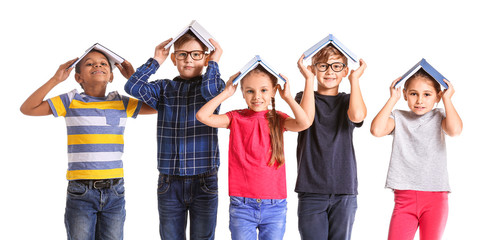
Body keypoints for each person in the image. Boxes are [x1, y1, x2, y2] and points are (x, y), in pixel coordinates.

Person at [20, 49, 156, 240]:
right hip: (81, 192)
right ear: (78, 77)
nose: (97, 65)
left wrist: (134, 79)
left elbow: (161, 105)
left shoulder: (121, 103)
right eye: (90, 64)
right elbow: (28, 108)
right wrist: (55, 80)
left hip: (115, 191)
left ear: (111, 76)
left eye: (103, 63)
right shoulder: (70, 100)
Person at [124, 33, 225, 240]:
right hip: (170, 181)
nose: (188, 59)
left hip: (204, 180)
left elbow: (211, 91)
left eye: (196, 54)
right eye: (182, 54)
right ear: (174, 58)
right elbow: (132, 87)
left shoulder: (212, 85)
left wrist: (213, 62)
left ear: (205, 58)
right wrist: (156, 60)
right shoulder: (163, 88)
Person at [196, 66, 311, 240]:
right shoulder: (235, 118)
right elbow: (202, 116)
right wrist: (226, 93)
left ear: (273, 91)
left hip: (275, 206)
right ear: (242, 92)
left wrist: (288, 98)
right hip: (242, 205)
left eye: (264, 90)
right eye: (250, 91)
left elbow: (304, 123)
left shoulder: (278, 118)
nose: (257, 96)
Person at [370, 69, 462, 240]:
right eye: (413, 94)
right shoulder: (398, 117)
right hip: (404, 198)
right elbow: (376, 130)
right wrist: (392, 99)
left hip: (435, 197)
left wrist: (447, 99)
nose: (420, 100)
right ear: (405, 94)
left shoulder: (440, 116)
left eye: (427, 94)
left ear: (437, 96)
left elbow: (455, 130)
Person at [294, 46, 367, 240]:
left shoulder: (348, 101)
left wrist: (355, 80)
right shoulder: (303, 97)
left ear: (344, 71)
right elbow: (306, 120)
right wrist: (308, 79)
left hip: (344, 190)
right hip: (311, 189)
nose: (329, 71)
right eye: (323, 65)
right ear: (313, 68)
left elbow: (358, 115)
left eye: (336, 66)